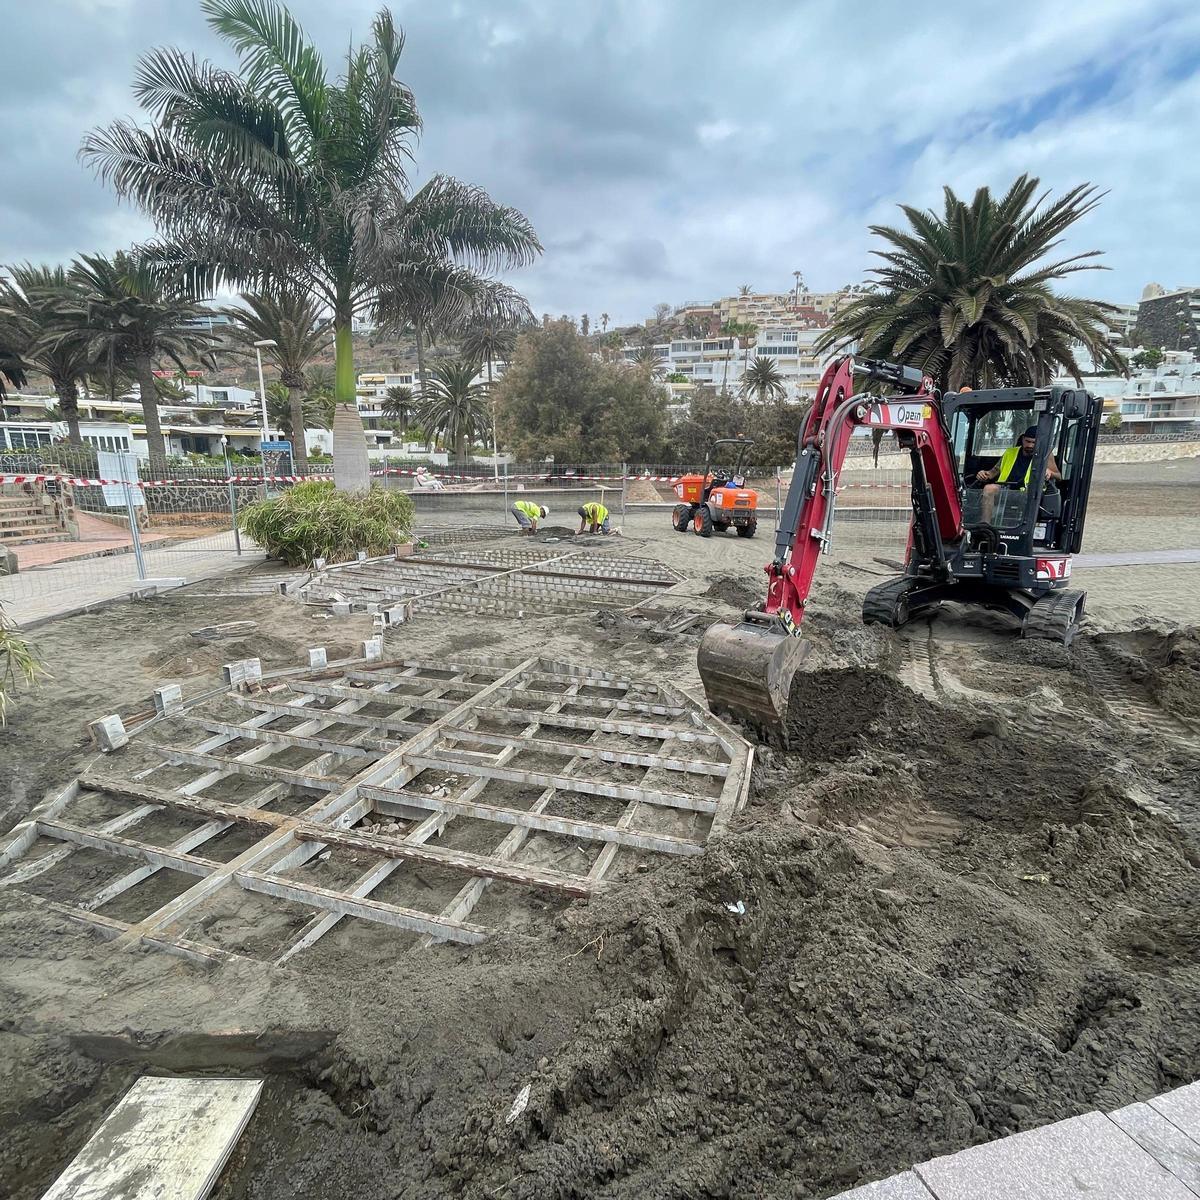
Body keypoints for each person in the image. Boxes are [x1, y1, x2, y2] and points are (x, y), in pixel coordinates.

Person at [974, 426, 1060, 522]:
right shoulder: (1010, 452)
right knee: (989, 489)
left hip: (1029, 492)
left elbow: (1058, 476)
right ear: (1023, 439)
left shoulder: (1046, 455)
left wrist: (1050, 472)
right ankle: (985, 525)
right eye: (1028, 441)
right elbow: (992, 472)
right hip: (1006, 490)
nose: (1030, 445)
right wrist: (983, 474)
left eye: (1034, 442)